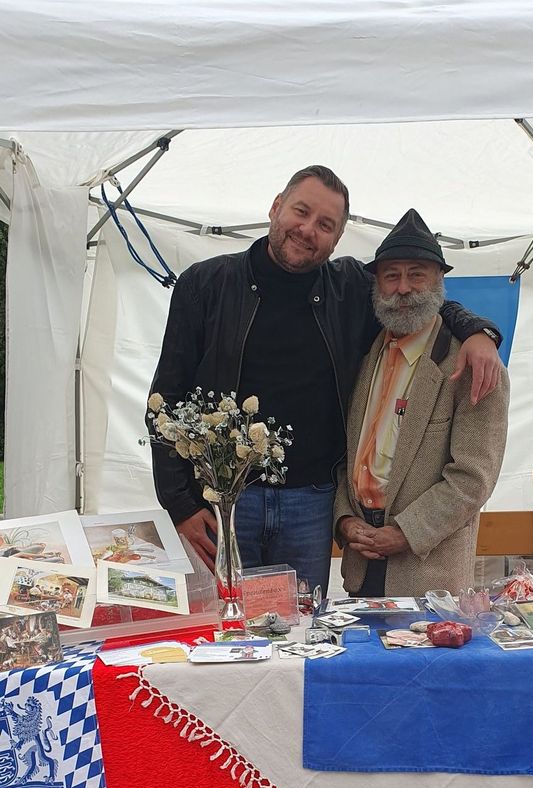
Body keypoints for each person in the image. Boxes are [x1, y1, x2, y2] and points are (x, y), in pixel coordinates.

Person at [148, 165, 503, 594]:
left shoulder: (350, 288)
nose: (308, 230)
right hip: (223, 502)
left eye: (325, 225)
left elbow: (418, 297)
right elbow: (164, 402)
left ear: (336, 240)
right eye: (301, 211)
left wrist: (478, 331)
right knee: (221, 629)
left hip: (310, 502)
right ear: (276, 207)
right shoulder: (204, 286)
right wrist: (181, 505)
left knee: (298, 631)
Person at [334, 209, 510, 598]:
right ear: (376, 284)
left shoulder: (471, 363)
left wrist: (405, 533)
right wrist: (345, 520)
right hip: (361, 568)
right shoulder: (365, 354)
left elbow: (473, 477)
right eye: (391, 275)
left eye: (417, 274)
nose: (403, 287)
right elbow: (349, 455)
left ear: (439, 280)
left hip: (429, 577)